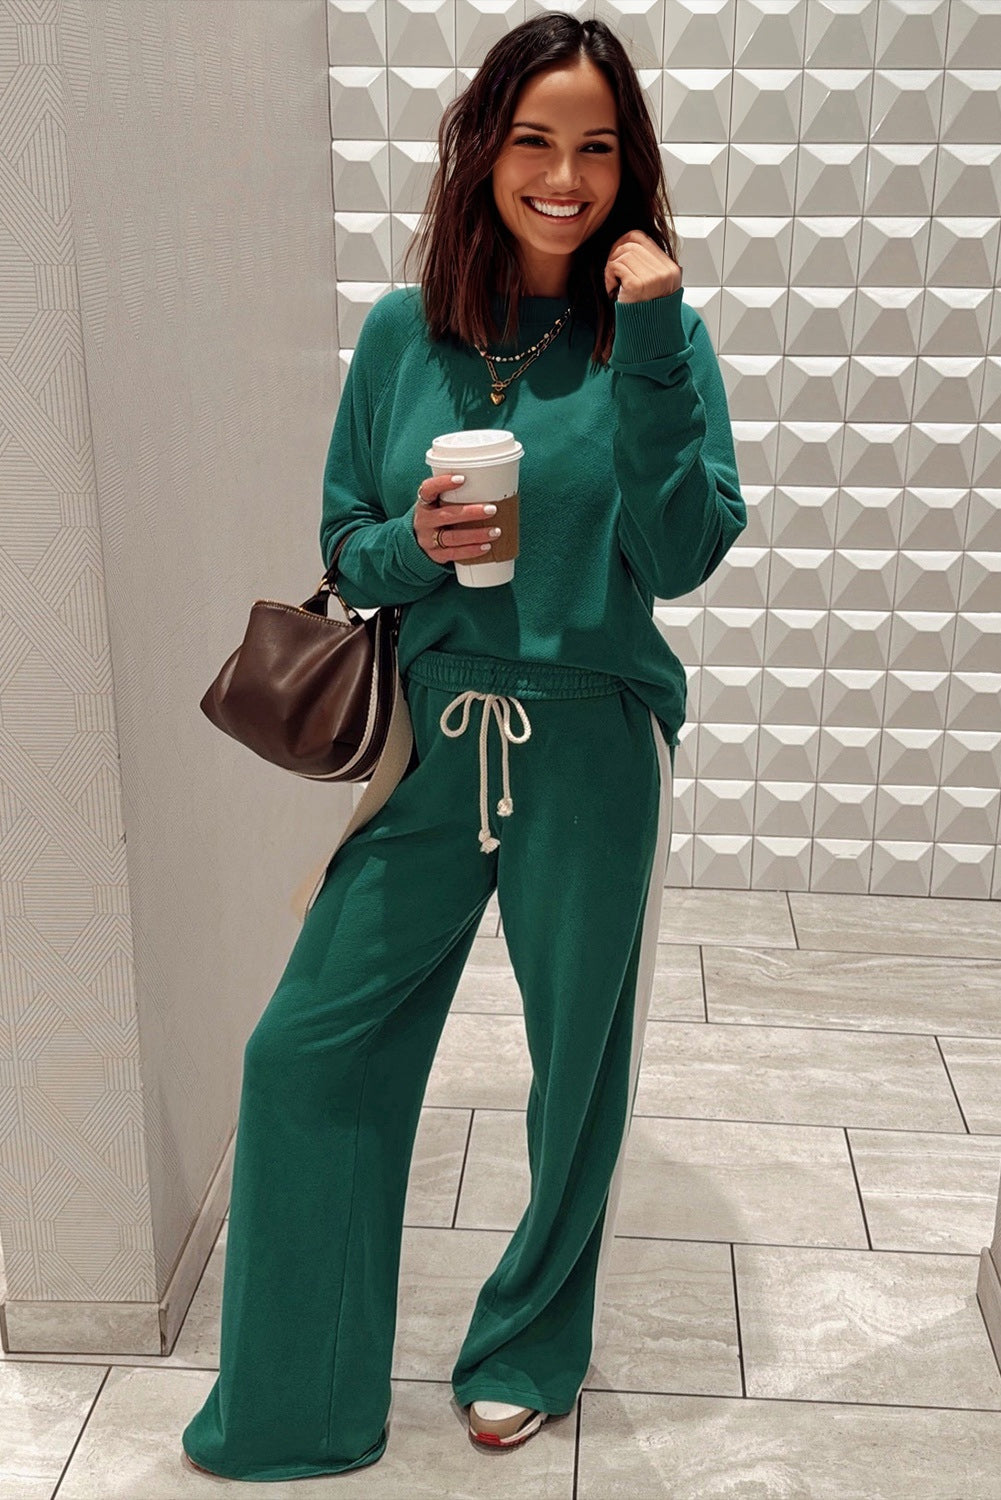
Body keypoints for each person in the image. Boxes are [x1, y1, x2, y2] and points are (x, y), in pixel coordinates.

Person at [182, 10, 746, 1483]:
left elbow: (684, 552)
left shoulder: (660, 338)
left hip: (591, 741)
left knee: (578, 1072)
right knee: (307, 1050)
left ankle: (525, 1348)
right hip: (434, 743)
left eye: (596, 147)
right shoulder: (402, 331)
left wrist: (649, 348)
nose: (564, 176)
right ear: (483, 151)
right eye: (534, 140)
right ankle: (298, 1400)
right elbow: (343, 543)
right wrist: (413, 549)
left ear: (629, 169)